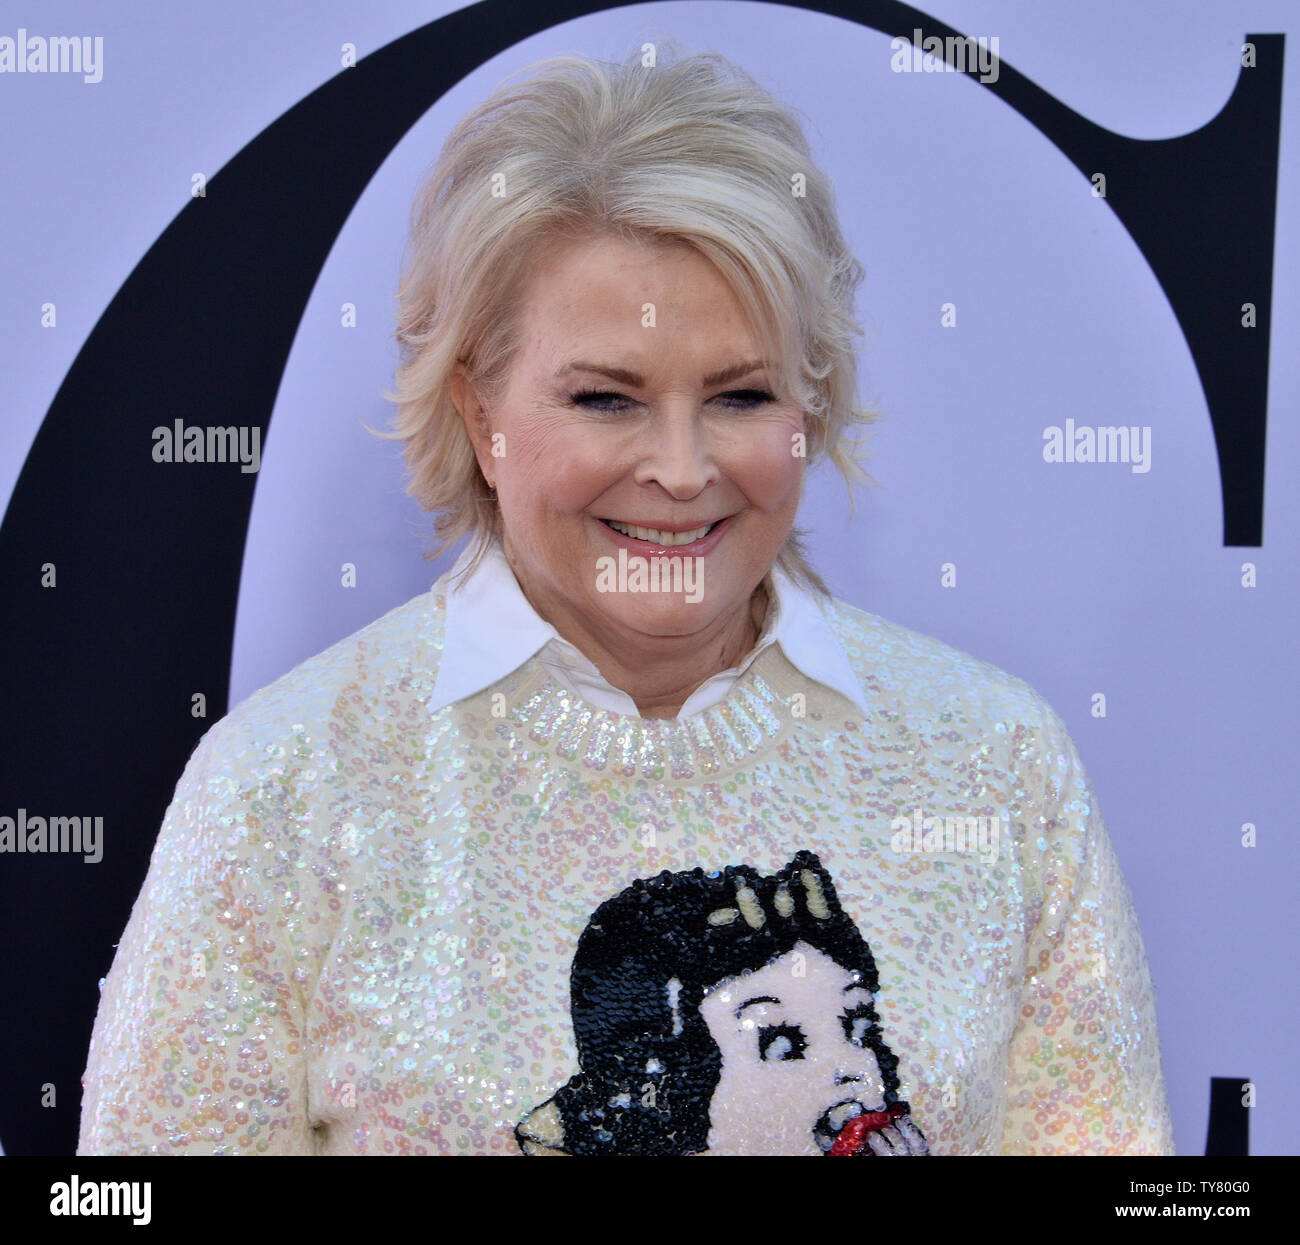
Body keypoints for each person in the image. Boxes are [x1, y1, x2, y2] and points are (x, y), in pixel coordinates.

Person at [78, 46, 1175, 1156]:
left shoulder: (995, 761)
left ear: (812, 408)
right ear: (477, 412)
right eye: (606, 398)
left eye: (741, 394)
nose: (682, 468)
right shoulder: (285, 786)